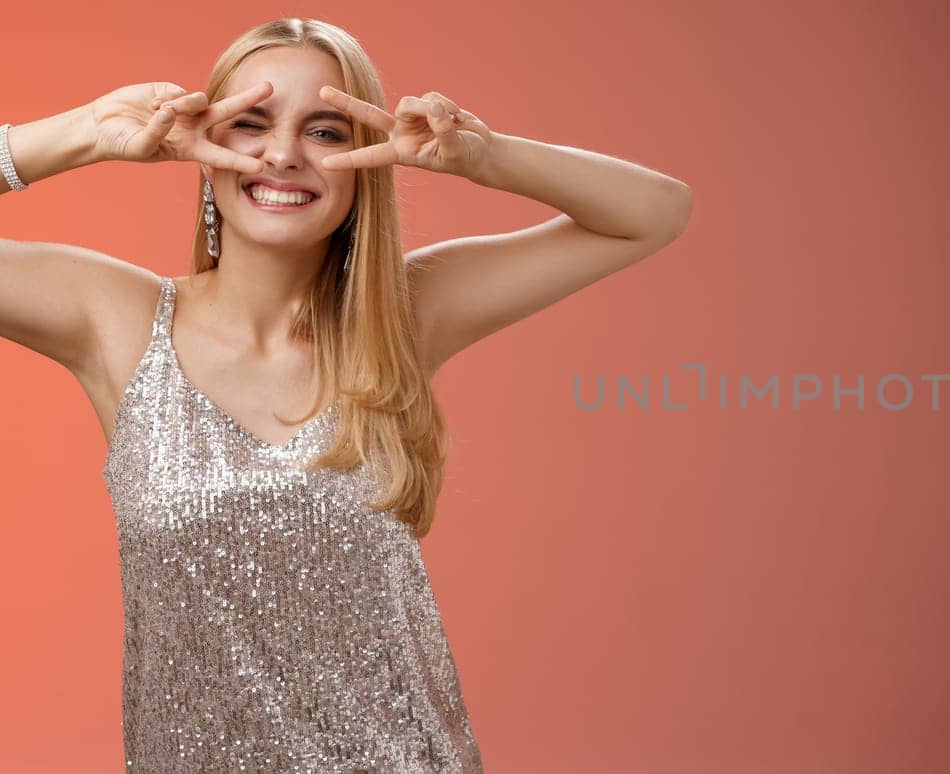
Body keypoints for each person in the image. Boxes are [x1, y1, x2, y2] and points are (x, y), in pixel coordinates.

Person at [0, 16, 691, 773]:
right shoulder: (115, 319)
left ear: (366, 162)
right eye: (249, 124)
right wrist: (86, 133)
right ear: (201, 146)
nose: (283, 153)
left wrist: (484, 157)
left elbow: (654, 214)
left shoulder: (403, 315)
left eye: (326, 132)